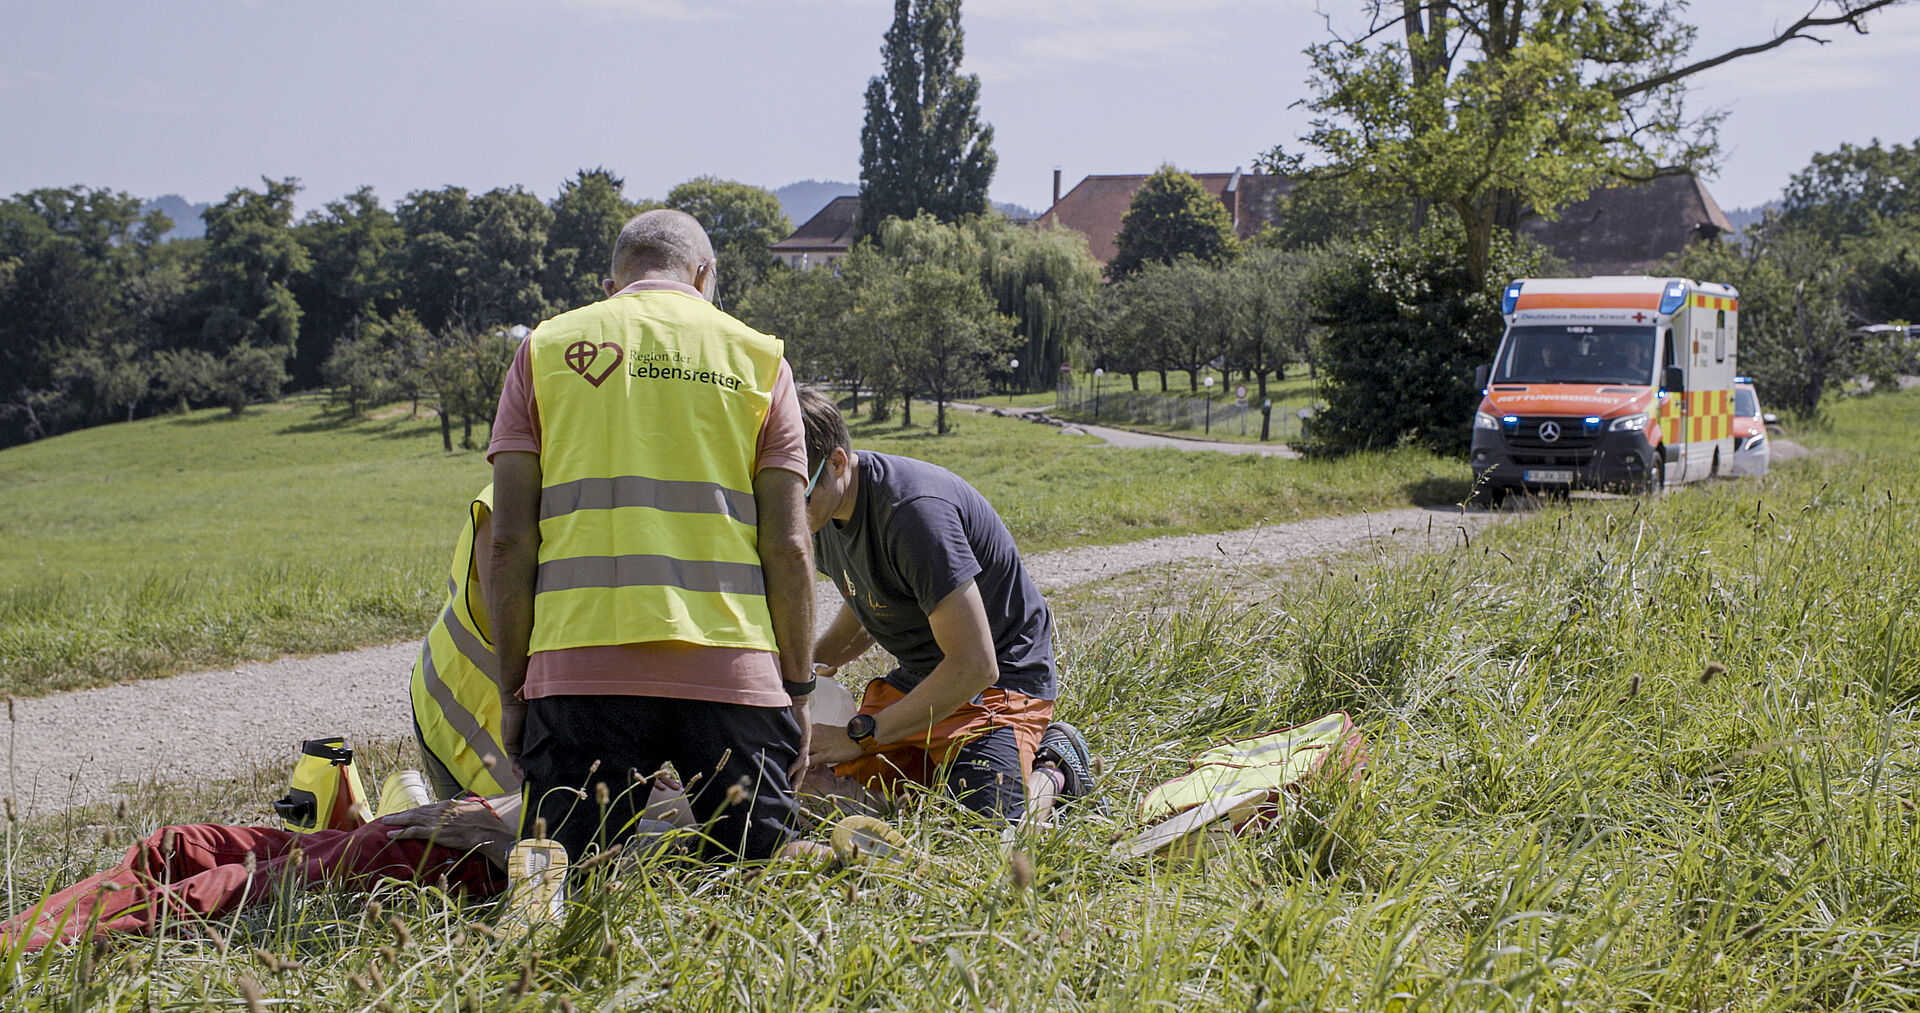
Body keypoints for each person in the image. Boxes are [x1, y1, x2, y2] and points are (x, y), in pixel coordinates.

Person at [488, 209, 818, 864]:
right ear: (704, 275)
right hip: (733, 667)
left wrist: (512, 687)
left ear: (613, 286)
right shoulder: (758, 357)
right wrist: (798, 689)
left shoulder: (547, 350)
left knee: (563, 889)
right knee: (763, 889)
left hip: (582, 668)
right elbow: (788, 546)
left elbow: (509, 544)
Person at [794, 388, 1095, 824]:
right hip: (922, 684)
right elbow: (868, 592)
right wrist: (810, 665)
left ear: (837, 463)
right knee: (828, 797)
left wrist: (862, 737)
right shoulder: (824, 509)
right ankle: (944, 774)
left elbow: (976, 664)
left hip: (995, 687)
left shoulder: (914, 515)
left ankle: (1054, 767)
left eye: (797, 496)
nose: (787, 514)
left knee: (982, 836)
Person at [0, 796, 512, 950]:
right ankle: (19, 939)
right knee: (176, 845)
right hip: (435, 825)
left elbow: (578, 871)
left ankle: (15, 952)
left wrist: (495, 840)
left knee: (211, 894)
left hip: (451, 854)